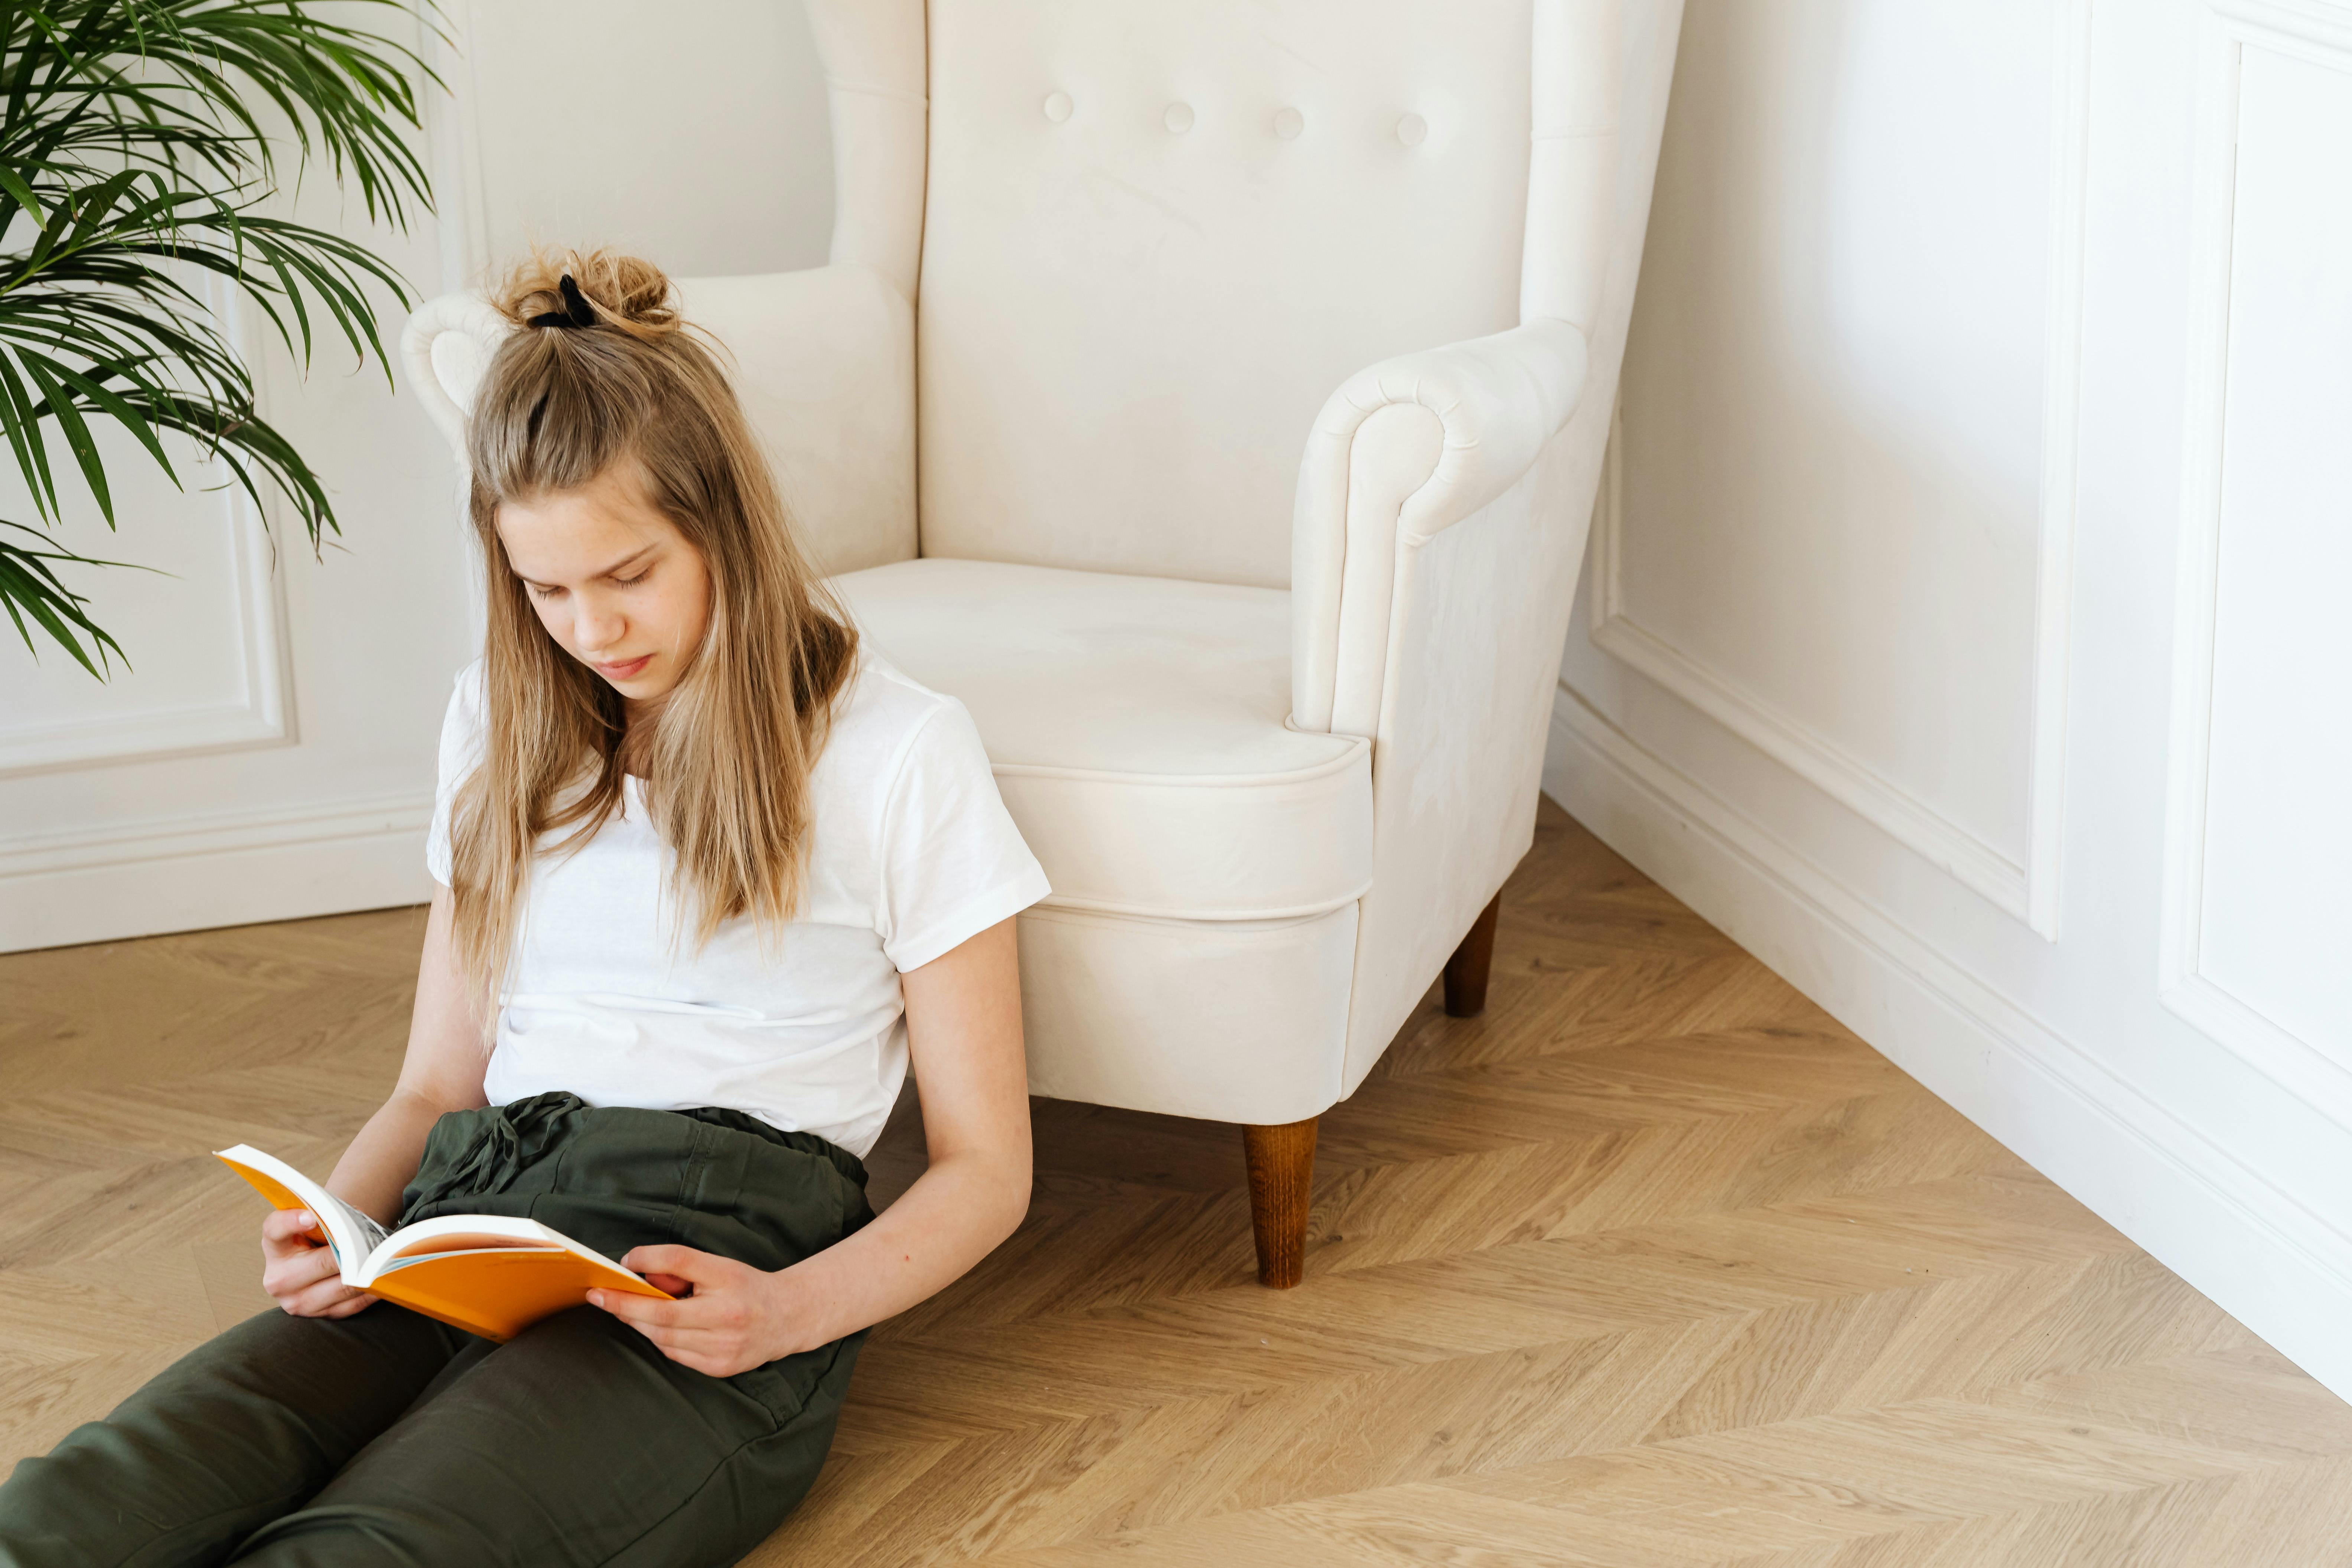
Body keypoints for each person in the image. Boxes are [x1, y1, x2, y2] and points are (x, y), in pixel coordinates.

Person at [0, 250, 1049, 1567]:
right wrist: (345, 1229)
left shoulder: (897, 752)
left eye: (628, 574)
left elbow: (987, 1169)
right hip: (474, 1212)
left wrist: (785, 1316)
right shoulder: (499, 725)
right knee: (64, 1522)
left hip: (714, 1252)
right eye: (545, 591)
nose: (592, 629)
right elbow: (439, 1081)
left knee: (377, 1551)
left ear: (726, 522)